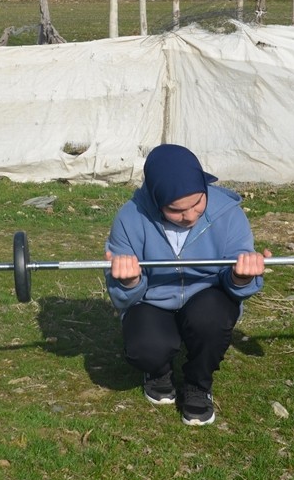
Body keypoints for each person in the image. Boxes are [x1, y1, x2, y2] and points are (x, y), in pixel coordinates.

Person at [105, 144, 270, 426]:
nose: (191, 216)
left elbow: (236, 284)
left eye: (197, 204)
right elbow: (122, 298)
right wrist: (131, 280)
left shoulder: (228, 213)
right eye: (176, 210)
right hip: (152, 299)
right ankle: (158, 371)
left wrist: (242, 276)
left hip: (206, 296)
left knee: (212, 319)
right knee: (146, 347)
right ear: (156, 199)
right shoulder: (130, 218)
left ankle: (198, 385)